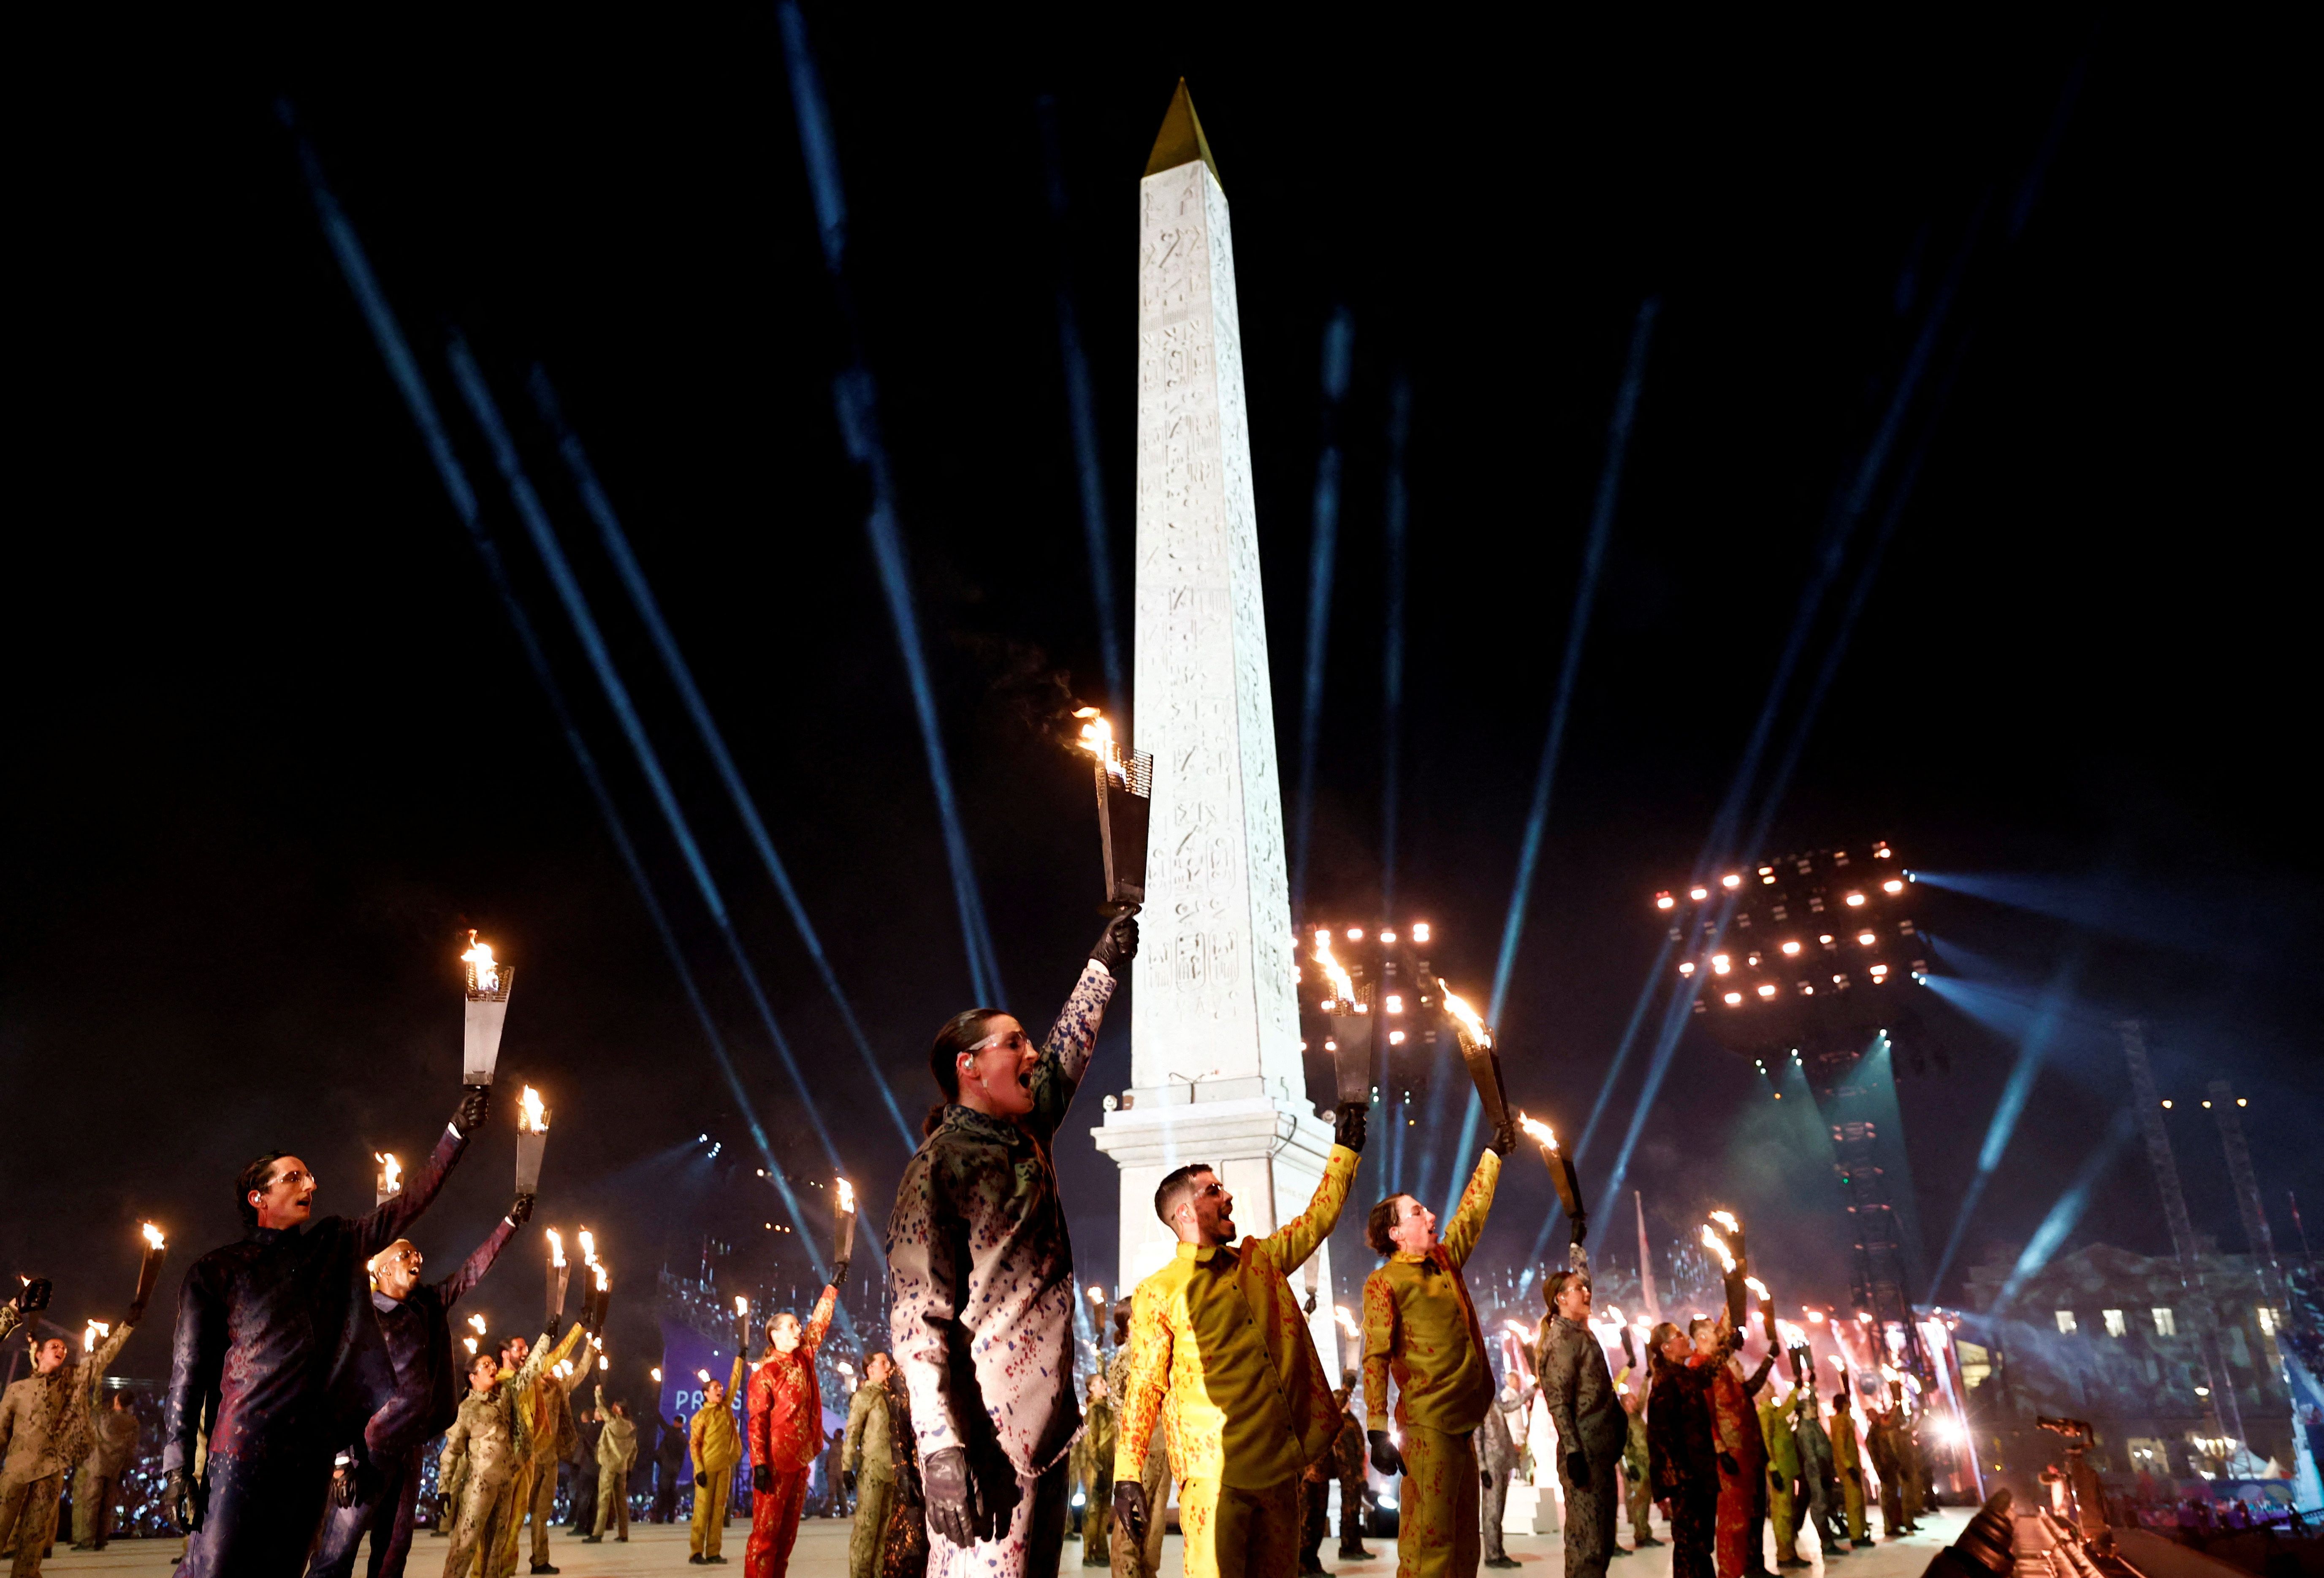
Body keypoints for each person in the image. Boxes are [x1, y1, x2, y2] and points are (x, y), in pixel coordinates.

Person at [887, 915, 1138, 1578]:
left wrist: (1103, 962)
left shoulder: (1027, 1137)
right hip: (984, 1445)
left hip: (1048, 1436)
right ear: (969, 1067)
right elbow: (918, 1320)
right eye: (1015, 1044)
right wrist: (940, 1447)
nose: (1033, 1056)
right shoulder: (938, 1168)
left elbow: (1067, 1053)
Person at [165, 1086, 490, 1577]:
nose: (310, 1183)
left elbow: (408, 1204)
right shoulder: (217, 1272)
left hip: (308, 1457)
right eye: (294, 1176)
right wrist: (176, 1467)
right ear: (260, 1197)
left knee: (287, 1568)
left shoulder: (332, 1246)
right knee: (215, 1569)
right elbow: (187, 1375)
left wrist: (456, 1134)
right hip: (241, 1453)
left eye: (310, 1175)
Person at [1112, 1099, 1361, 1578]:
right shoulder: (1159, 1293)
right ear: (1186, 1211)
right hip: (1212, 1479)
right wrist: (1127, 1473)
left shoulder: (1259, 1262)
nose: (1227, 1197)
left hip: (1277, 1469)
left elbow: (1318, 1219)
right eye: (1213, 1190)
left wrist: (1345, 1151)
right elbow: (1144, 1389)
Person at [307, 1196, 527, 1578]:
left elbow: (471, 1271)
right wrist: (342, 1464)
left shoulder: (426, 1305)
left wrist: (508, 1223)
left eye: (419, 1255)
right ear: (381, 1269)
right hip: (367, 1451)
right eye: (406, 1254)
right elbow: (337, 1387)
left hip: (410, 1447)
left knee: (395, 1548)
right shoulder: (360, 1314)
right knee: (338, 1550)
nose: (417, 1259)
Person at [1359, 1122, 1515, 1578]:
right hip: (1428, 1427)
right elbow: (1375, 1356)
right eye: (1417, 1212)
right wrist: (1375, 1428)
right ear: (1395, 1233)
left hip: (1463, 1423)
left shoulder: (1444, 1261)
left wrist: (1491, 1155)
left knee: (1466, 1546)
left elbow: (1471, 1214)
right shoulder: (1384, 1282)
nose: (1431, 1217)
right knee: (1431, 1546)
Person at [0, 1311, 140, 1576]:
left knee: (35, 1536)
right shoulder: (17, 1390)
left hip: (51, 1470)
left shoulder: (71, 1383)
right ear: (39, 1354)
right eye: (54, 1346)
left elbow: (102, 1359)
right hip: (16, 1471)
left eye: (64, 1348)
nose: (61, 1350)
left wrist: (128, 1325)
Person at [439, 1328, 569, 1578]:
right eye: (486, 1365)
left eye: (492, 1363)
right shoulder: (466, 1409)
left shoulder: (506, 1396)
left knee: (496, 1545)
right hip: (480, 1485)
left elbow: (531, 1369)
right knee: (466, 1543)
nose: (492, 1368)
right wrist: (444, 1488)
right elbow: (451, 1452)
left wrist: (546, 1337)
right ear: (472, 1377)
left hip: (504, 1485)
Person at [744, 1277, 843, 1578]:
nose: (799, 1329)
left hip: (800, 1462)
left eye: (799, 1325)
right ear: (775, 1334)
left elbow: (819, 1323)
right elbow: (757, 1420)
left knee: (787, 1538)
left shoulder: (804, 1357)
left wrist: (832, 1288)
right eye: (791, 1326)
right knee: (765, 1538)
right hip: (774, 1465)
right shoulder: (766, 1374)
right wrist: (759, 1463)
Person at [1534, 1271, 1624, 1578]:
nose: (1587, 1293)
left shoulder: (1579, 1332)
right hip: (1583, 1454)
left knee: (1602, 1541)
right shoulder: (1561, 1340)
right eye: (1578, 1289)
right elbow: (1558, 1401)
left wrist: (1577, 1243)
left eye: (1586, 1288)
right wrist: (1573, 1451)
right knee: (1588, 1546)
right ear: (1560, 1298)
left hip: (1599, 1451)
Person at [1646, 1315, 1737, 1578]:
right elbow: (1661, 1435)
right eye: (1678, 1336)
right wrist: (1679, 1478)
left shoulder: (1683, 1375)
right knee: (1690, 1544)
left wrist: (1729, 1346)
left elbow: (1706, 1373)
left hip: (1700, 1475)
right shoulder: (1665, 1382)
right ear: (1666, 1348)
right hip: (1686, 1480)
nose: (1685, 1338)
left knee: (1702, 1544)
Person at [1707, 1319, 1774, 1578]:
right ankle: (1734, 1570)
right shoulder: (1713, 1377)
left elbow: (1752, 1385)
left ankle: (1753, 1565)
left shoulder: (1739, 1392)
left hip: (1751, 1458)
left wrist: (1770, 1358)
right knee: (1734, 1522)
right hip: (1731, 1460)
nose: (1740, 1367)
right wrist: (1721, 1450)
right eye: (1735, 1364)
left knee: (1753, 1518)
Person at [1106, 1303, 1169, 1578]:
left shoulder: (1148, 1353)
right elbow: (1124, 1413)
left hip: (1159, 1447)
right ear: (1130, 1322)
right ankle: (1128, 1573)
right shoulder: (1128, 1357)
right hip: (1138, 1452)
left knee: (1154, 1521)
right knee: (1131, 1522)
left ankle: (1146, 1572)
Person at [842, 1355, 903, 1578]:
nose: (890, 1367)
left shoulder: (894, 1397)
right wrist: (847, 1467)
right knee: (866, 1529)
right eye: (884, 1363)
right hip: (872, 1472)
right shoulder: (864, 1397)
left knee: (885, 1531)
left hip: (893, 1471)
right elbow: (853, 1433)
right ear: (870, 1369)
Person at [691, 1351, 747, 1564]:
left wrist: (739, 1360)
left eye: (720, 1388)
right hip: (707, 1467)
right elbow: (694, 1445)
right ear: (706, 1393)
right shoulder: (701, 1417)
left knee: (719, 1511)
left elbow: (734, 1384)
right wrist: (699, 1470)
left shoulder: (725, 1408)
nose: (720, 1390)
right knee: (702, 1511)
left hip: (725, 1466)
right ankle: (697, 1551)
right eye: (715, 1388)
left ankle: (714, 1552)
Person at [70, 1391, 141, 1551]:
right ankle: (101, 1539)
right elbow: (132, 1448)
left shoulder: (104, 1418)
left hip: (98, 1464)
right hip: (116, 1467)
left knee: (91, 1503)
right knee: (107, 1505)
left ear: (117, 1400)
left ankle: (87, 1540)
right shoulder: (133, 1423)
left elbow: (92, 1414)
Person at [1477, 1379, 1524, 1570]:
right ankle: (1492, 1555)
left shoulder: (1494, 1404)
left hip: (1502, 1463)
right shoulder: (1478, 1409)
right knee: (1492, 1512)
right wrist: (1482, 1468)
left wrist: (1533, 1389)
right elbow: (1477, 1439)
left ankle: (1498, 1552)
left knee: (1499, 1510)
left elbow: (1512, 1405)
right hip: (1491, 1466)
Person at [1789, 1390, 1841, 1558]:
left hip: (1822, 1471)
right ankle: (1826, 1543)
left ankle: (1828, 1541)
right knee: (1819, 1506)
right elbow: (1810, 1456)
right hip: (1815, 1473)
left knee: (1825, 1504)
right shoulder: (1805, 1430)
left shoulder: (1814, 1425)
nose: (1813, 1408)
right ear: (1803, 1411)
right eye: (1810, 1407)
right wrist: (1819, 1475)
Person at [1071, 1374, 1114, 1566]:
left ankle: (1102, 1552)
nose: (1105, 1385)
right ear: (1091, 1389)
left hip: (1108, 1467)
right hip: (1097, 1469)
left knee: (1104, 1510)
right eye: (1099, 1383)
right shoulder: (1095, 1412)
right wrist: (1098, 1468)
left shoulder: (1107, 1410)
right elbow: (1091, 1444)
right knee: (1094, 1509)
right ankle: (1089, 1553)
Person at [583, 1386, 635, 1544]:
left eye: (614, 1406)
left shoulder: (613, 1421)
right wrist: (630, 1467)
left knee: (604, 1499)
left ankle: (598, 1533)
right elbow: (635, 1450)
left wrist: (598, 1392)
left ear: (619, 1409)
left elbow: (601, 1407)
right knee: (621, 1501)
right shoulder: (632, 1428)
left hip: (609, 1464)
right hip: (623, 1467)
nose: (611, 1408)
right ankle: (624, 1533)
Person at [1758, 1388, 1800, 1570]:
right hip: (1779, 1470)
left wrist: (1797, 1389)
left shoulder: (1774, 1412)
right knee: (1782, 1514)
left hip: (1786, 1468)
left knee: (1788, 1512)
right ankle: (1784, 1555)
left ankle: (1790, 1552)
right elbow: (1766, 1442)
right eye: (1769, 1387)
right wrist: (1773, 1469)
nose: (1773, 1390)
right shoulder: (1765, 1414)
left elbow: (1788, 1408)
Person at [1333, 1382, 1373, 1562]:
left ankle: (1356, 1547)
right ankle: (1347, 1548)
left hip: (1356, 1473)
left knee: (1356, 1510)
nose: (1349, 1402)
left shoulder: (1351, 1419)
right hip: (1347, 1473)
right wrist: (1345, 1390)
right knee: (1349, 1511)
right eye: (1346, 1400)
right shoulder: (1338, 1421)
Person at [1619, 1386, 1656, 1551]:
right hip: (1636, 1467)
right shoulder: (1625, 1422)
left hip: (1646, 1464)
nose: (1636, 1402)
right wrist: (1629, 1467)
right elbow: (1623, 1448)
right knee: (1639, 1502)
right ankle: (1641, 1535)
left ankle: (1646, 1533)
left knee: (1646, 1500)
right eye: (1632, 1400)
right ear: (1626, 1404)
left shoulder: (1637, 1418)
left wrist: (1646, 1380)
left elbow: (1643, 1398)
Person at [1827, 1392, 1866, 1548]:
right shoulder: (1840, 1422)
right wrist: (1849, 1467)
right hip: (1849, 1468)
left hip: (1853, 1466)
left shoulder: (1845, 1420)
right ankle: (1857, 1536)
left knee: (1859, 1501)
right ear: (1844, 1404)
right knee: (1854, 1503)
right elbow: (1841, 1448)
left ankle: (1861, 1532)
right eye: (1848, 1402)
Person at [656, 1415, 689, 1525]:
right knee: (672, 1492)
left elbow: (662, 1422)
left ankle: (660, 1517)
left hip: (667, 1465)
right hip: (675, 1467)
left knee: (663, 1491)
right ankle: (670, 1516)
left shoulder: (671, 1432)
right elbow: (683, 1456)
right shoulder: (684, 1437)